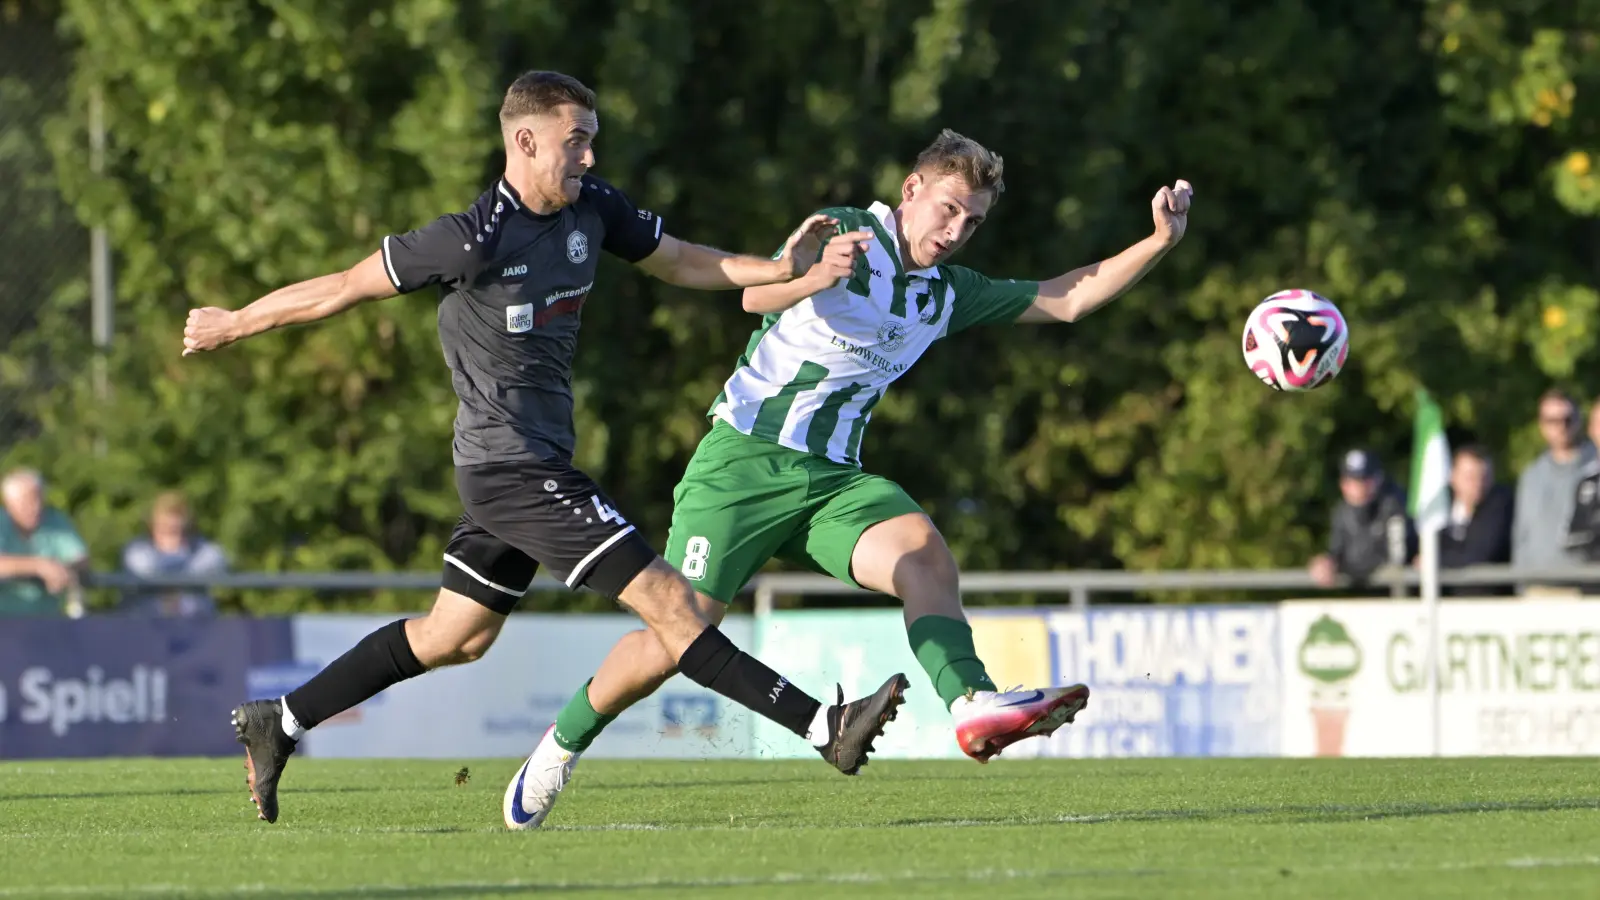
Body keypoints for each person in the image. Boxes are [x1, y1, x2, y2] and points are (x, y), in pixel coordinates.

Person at [181, 71, 906, 825]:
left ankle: (282, 720)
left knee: (454, 637)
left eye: (590, 140)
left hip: (528, 467)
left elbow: (683, 260)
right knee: (668, 599)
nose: (589, 158)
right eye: (577, 141)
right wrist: (236, 322)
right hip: (511, 469)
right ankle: (824, 727)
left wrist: (784, 270)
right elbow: (340, 286)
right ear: (525, 141)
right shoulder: (467, 240)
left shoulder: (594, 210)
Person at [502, 128, 1189, 828]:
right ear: (911, 192)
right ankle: (560, 746)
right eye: (948, 209)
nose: (956, 231)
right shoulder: (852, 235)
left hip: (833, 482)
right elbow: (753, 300)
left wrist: (1158, 242)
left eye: (973, 221)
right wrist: (810, 275)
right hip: (742, 464)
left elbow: (1066, 298)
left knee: (924, 555)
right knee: (677, 637)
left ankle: (973, 706)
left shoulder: (944, 294)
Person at [1512, 389, 1595, 594]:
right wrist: (1520, 585)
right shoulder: (1531, 475)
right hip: (1537, 590)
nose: (1561, 427)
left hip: (1585, 588)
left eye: (1567, 419)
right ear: (1541, 425)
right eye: (1552, 420)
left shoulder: (1594, 469)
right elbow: (1521, 535)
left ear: (1578, 419)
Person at [1308, 449, 1413, 589]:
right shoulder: (1341, 511)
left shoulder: (1394, 506)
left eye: (1364, 481)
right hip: (1358, 597)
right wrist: (1327, 563)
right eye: (1350, 481)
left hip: (1395, 598)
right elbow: (1337, 549)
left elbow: (1396, 558)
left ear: (1378, 480)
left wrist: (1343, 565)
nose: (1357, 488)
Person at [119, 490, 229, 616]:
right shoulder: (137, 550)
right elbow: (146, 571)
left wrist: (174, 578)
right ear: (152, 522)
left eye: (177, 516)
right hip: (147, 628)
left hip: (194, 628)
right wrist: (180, 579)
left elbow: (216, 560)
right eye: (166, 517)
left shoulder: (204, 550)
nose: (171, 524)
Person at [0, 468, 89, 617]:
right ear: (10, 504)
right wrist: (39, 566)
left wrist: (63, 570)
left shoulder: (54, 520)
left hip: (47, 621)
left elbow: (81, 558)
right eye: (28, 501)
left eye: (39, 499)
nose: (36, 507)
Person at [1437, 445, 1513, 595]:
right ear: (1453, 477)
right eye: (1470, 477)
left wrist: (1436, 560)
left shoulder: (1500, 504)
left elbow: (1480, 554)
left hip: (1486, 603)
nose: (1478, 484)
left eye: (1484, 477)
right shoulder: (1439, 510)